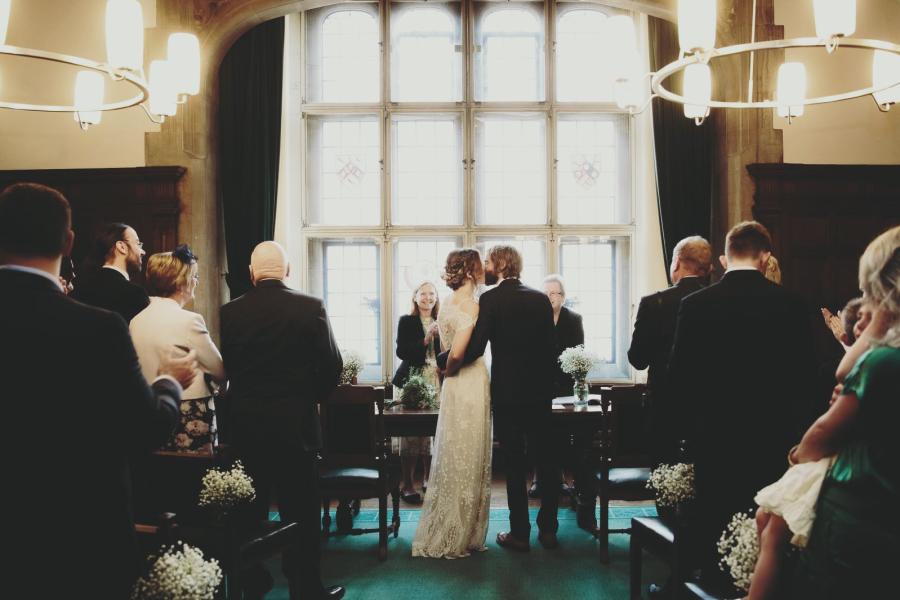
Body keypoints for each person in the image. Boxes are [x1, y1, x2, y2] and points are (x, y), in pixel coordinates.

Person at [0, 182, 196, 599]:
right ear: (68, 242)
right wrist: (167, 383)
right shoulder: (97, 327)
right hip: (83, 532)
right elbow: (146, 428)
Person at [750, 225, 900, 600]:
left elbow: (821, 435)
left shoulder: (883, 362)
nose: (865, 308)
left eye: (870, 295)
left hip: (860, 523)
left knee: (772, 527)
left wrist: (798, 456)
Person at [668, 222, 818, 588]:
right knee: (762, 523)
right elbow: (806, 380)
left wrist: (689, 433)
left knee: (716, 517)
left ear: (724, 258)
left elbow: (679, 378)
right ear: (766, 257)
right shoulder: (794, 305)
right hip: (773, 439)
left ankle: (714, 586)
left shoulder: (695, 304)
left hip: (713, 436)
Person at [220, 241, 344, 600]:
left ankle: (252, 583)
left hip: (246, 426)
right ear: (287, 272)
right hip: (296, 426)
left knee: (249, 511)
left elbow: (229, 366)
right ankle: (306, 589)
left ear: (251, 274)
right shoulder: (310, 307)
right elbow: (333, 365)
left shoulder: (230, 313)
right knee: (301, 510)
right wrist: (308, 398)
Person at [458, 245, 560, 552]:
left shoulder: (491, 298)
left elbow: (476, 348)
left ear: (500, 264)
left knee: (514, 464)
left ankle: (520, 534)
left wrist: (445, 358)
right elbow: (551, 348)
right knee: (546, 461)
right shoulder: (540, 299)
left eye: (488, 261)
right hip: (540, 393)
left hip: (508, 394)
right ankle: (549, 530)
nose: (486, 266)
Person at [412, 249, 492, 559]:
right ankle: (458, 532)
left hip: (455, 387)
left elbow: (445, 347)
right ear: (471, 271)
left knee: (457, 449)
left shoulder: (448, 303)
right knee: (468, 452)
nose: (484, 267)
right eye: (479, 264)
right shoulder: (470, 304)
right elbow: (457, 354)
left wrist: (446, 373)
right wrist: (449, 370)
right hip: (468, 381)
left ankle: (464, 528)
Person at [131, 245, 226, 453]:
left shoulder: (136, 320)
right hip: (189, 411)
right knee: (193, 478)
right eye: (194, 276)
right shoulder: (190, 321)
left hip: (150, 408)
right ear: (181, 282)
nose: (196, 282)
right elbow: (219, 370)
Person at [628, 235, 712, 466]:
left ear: (676, 263)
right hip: (707, 408)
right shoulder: (717, 301)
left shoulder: (654, 303)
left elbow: (637, 360)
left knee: (663, 470)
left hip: (664, 405)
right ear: (708, 268)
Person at [531, 275, 585, 516]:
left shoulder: (573, 319)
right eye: (547, 294)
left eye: (556, 293)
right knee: (538, 435)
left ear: (563, 296)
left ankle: (561, 477)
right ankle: (537, 478)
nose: (552, 298)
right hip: (539, 383)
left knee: (562, 434)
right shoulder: (534, 319)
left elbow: (577, 350)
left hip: (564, 384)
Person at [391, 280, 442, 504]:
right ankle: (408, 484)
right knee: (410, 434)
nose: (428, 297)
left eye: (432, 294)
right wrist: (425, 339)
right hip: (412, 379)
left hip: (437, 380)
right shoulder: (407, 321)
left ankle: (430, 481)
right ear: (415, 297)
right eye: (423, 294)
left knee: (433, 432)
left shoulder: (443, 321)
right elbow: (402, 351)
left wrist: (440, 338)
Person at [71, 221, 150, 322]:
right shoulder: (135, 295)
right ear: (122, 247)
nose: (143, 252)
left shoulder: (77, 286)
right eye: (138, 244)